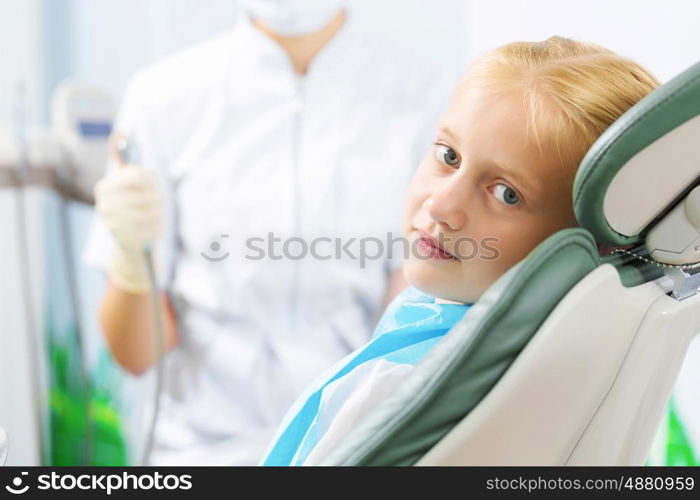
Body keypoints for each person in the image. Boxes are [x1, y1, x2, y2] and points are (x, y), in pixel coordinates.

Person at [260, 36, 659, 466]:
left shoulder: (400, 389)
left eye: (506, 194)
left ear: (589, 241)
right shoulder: (573, 350)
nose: (439, 206)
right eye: (449, 155)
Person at [84, 0, 453, 465]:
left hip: (351, 444)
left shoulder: (425, 98)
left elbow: (415, 329)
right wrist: (130, 256)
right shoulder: (163, 98)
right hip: (200, 451)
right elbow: (136, 355)